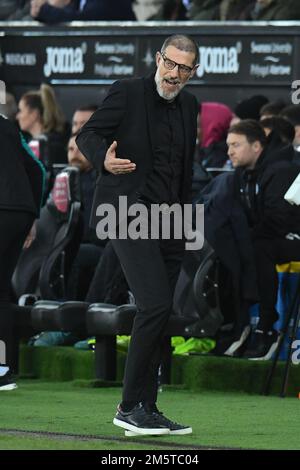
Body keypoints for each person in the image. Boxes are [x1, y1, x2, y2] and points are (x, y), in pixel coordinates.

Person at [76, 34, 199, 436]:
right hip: (126, 211)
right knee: (154, 304)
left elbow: (183, 165)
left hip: (172, 219)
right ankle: (129, 406)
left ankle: (148, 406)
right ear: (158, 58)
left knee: (161, 313)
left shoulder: (190, 105)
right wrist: (103, 160)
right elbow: (87, 135)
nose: (175, 74)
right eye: (171, 63)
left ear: (193, 71)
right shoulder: (127, 92)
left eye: (185, 68)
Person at [226, 120, 300, 359]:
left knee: (258, 247)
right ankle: (237, 325)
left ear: (256, 146)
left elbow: (280, 219)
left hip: (290, 236)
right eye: (228, 145)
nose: (229, 151)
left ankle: (266, 328)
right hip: (270, 237)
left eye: (236, 145)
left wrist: (248, 236)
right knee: (234, 247)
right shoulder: (244, 174)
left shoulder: (279, 170)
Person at [0, 115, 45, 390]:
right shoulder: (6, 124)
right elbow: (37, 170)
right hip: (20, 211)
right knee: (1, 293)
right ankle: (2, 370)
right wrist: (32, 216)